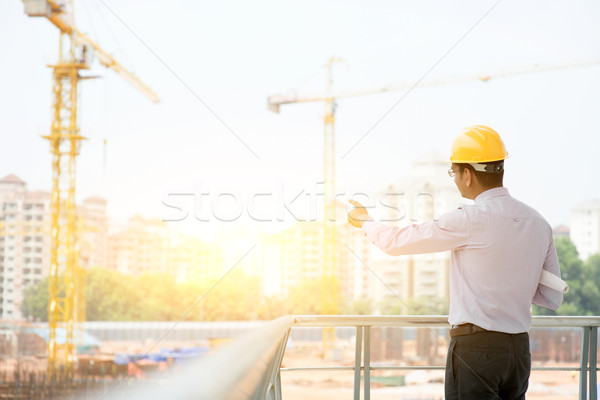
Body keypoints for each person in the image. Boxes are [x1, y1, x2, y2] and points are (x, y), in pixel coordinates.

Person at [347, 125, 563, 400]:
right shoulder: (538, 222)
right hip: (519, 351)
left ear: (468, 175)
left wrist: (365, 221)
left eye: (454, 172)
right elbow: (552, 296)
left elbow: (396, 242)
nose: (454, 179)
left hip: (476, 349)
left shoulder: (468, 219)